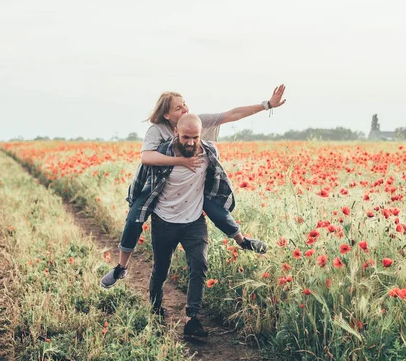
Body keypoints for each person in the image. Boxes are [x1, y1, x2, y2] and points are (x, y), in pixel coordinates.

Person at [101, 85, 286, 289]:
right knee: (135, 216)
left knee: (216, 209)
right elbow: (146, 157)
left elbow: (231, 114)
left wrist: (267, 104)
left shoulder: (194, 122)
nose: (185, 109)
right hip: (158, 187)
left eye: (185, 104)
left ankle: (243, 241)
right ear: (166, 114)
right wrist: (181, 162)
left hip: (191, 186)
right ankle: (121, 267)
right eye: (179, 108)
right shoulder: (157, 130)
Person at [125, 114, 236, 336]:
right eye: (186, 137)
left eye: (195, 137)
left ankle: (192, 319)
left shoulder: (209, 152)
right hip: (163, 220)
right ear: (176, 132)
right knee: (161, 269)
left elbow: (217, 180)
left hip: (194, 220)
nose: (191, 142)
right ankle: (155, 307)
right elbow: (139, 181)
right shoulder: (161, 154)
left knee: (199, 265)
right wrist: (135, 211)